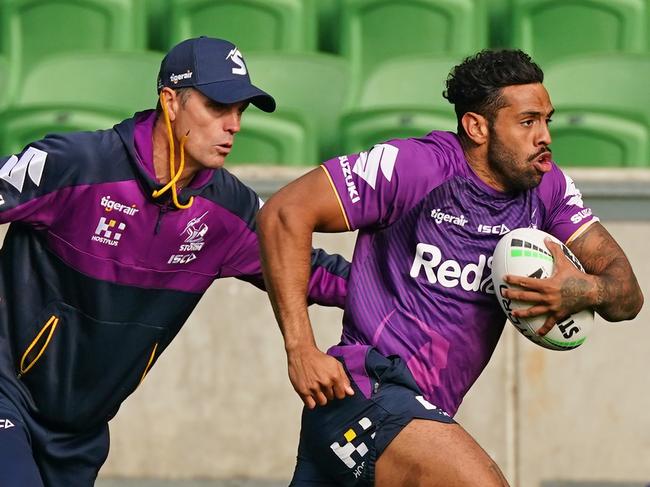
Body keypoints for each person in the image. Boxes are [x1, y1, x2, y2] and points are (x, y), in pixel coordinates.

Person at [257, 49, 644, 486]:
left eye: (547, 120)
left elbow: (627, 293)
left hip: (410, 418)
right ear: (477, 127)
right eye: (527, 121)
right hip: (366, 391)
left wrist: (582, 291)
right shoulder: (415, 167)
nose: (544, 137)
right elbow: (283, 214)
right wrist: (301, 350)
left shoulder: (547, 187)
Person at [0, 37, 349, 487]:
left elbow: (309, 269)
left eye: (240, 110)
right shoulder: (76, 164)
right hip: (7, 393)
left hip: (81, 431)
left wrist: (413, 288)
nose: (234, 125)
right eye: (218, 106)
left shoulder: (229, 210)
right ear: (170, 100)